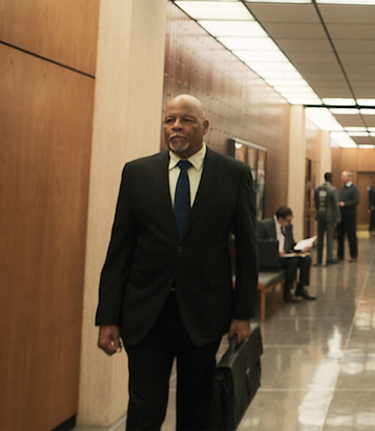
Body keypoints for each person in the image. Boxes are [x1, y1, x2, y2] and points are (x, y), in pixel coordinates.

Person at [95, 94, 258, 431]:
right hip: (146, 312)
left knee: (197, 408)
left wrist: (243, 313)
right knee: (144, 409)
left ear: (205, 126)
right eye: (170, 120)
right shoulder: (138, 173)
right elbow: (120, 248)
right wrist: (108, 316)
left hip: (204, 312)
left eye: (186, 120)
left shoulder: (233, 174)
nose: (176, 127)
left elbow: (247, 250)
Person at [257, 206, 316, 302]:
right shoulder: (265, 225)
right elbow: (260, 244)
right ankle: (287, 291)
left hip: (286, 255)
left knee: (306, 259)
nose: (290, 223)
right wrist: (276, 252)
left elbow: (291, 244)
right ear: (280, 219)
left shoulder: (288, 227)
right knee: (293, 262)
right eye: (288, 220)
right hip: (273, 258)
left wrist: (302, 248)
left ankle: (301, 288)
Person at [314, 172, 341, 265]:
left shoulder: (317, 189)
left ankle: (319, 258)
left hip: (320, 215)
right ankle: (329, 258)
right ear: (331, 178)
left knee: (320, 238)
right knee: (329, 238)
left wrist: (318, 211)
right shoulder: (332, 190)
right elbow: (335, 204)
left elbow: (316, 203)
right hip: (329, 217)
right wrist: (338, 216)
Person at [336, 170, 360, 262]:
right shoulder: (342, 188)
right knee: (340, 235)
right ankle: (340, 255)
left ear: (348, 177)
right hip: (341, 215)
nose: (341, 178)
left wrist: (345, 204)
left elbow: (356, 201)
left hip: (350, 215)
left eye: (343, 176)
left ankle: (353, 255)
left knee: (351, 236)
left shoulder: (354, 189)